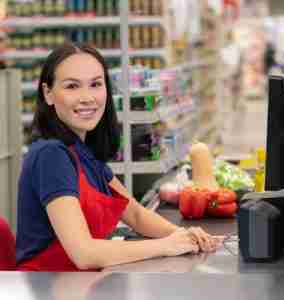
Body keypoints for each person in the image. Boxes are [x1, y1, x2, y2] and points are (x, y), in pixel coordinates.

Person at [16, 43, 224, 272]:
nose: (87, 97)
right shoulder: (51, 155)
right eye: (72, 86)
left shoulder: (84, 152)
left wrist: (183, 235)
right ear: (48, 94)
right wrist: (165, 245)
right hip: (48, 285)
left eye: (95, 84)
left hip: (78, 283)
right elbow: (83, 254)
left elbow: (135, 214)